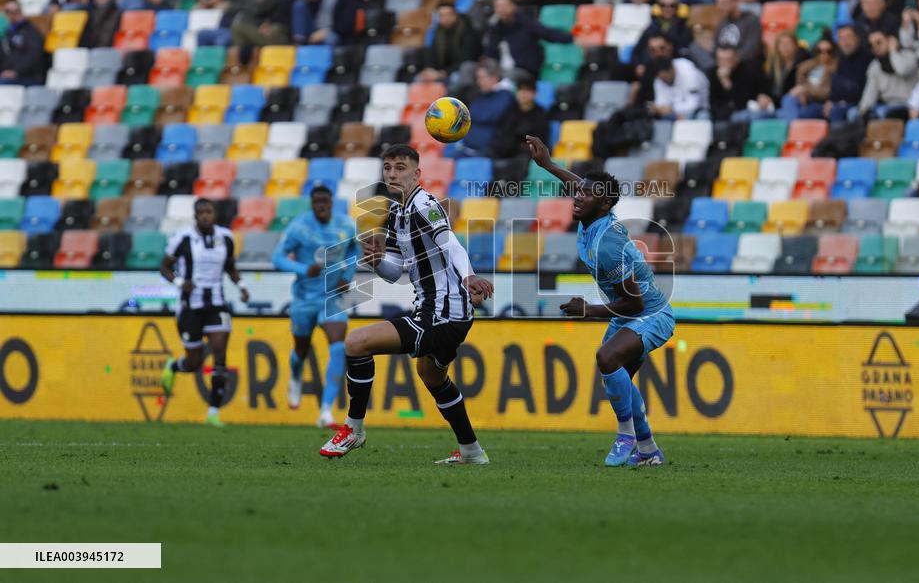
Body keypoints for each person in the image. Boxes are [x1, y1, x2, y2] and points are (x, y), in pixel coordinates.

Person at [319, 144, 495, 464]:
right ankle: (472, 451)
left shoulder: (424, 205)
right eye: (387, 167)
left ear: (417, 174)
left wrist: (469, 275)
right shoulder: (397, 213)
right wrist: (376, 262)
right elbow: (393, 271)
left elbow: (451, 244)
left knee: (356, 342)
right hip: (437, 310)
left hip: (444, 312)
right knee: (431, 375)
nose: (392, 173)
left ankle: (354, 429)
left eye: (400, 167)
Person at [523, 135, 673, 467]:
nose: (577, 196)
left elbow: (634, 304)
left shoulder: (606, 243)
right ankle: (648, 451)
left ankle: (625, 436)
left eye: (587, 194)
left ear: (604, 205)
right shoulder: (592, 215)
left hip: (651, 314)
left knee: (607, 357)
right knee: (619, 377)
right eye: (579, 191)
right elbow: (582, 187)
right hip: (629, 312)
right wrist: (547, 164)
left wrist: (588, 309)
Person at [271, 185, 357, 428]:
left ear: (331, 202)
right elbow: (277, 258)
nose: (321, 205)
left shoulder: (345, 224)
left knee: (338, 347)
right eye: (316, 201)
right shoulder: (299, 227)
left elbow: (355, 247)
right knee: (301, 348)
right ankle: (296, 374)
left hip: (332, 298)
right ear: (311, 204)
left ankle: (325, 412)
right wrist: (303, 269)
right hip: (304, 299)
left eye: (325, 201)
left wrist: (347, 276)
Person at [160, 198, 250, 427]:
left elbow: (230, 266)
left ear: (215, 214)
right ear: (195, 216)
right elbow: (164, 267)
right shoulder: (183, 238)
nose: (205, 216)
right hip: (190, 306)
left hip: (217, 304)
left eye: (209, 211)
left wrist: (241, 286)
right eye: (201, 212)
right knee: (195, 362)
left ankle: (213, 412)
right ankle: (174, 366)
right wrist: (180, 283)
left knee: (220, 352)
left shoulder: (226, 237)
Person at [484, 0, 572, 78]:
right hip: (501, 70)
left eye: (505, 5)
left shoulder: (526, 23)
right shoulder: (495, 29)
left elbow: (547, 33)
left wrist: (571, 37)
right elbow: (490, 53)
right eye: (498, 6)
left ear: (514, 6)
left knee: (509, 76)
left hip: (525, 70)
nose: (502, 9)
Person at [689, 0, 762, 70]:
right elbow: (716, 46)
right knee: (694, 47)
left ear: (736, 1)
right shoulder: (722, 22)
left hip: (743, 65)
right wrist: (719, 54)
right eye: (718, 2)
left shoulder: (751, 20)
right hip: (721, 64)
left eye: (724, 2)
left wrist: (733, 58)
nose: (720, 6)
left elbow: (751, 49)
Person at [455, 59, 515, 157]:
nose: (478, 81)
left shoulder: (506, 97)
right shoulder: (481, 94)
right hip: (467, 147)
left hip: (488, 151)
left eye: (482, 77)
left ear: (494, 78)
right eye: (477, 78)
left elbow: (488, 115)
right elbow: (472, 113)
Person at [858, 30, 919, 120]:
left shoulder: (909, 56)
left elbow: (902, 70)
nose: (875, 47)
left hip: (908, 105)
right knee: (855, 114)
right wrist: (863, 108)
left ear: (890, 40)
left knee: (881, 113)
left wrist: (893, 50)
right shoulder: (875, 65)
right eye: (871, 45)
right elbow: (870, 92)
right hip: (887, 104)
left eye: (879, 42)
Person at [418, 2, 481, 82]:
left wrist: (443, 73)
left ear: (455, 15)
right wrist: (430, 70)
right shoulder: (438, 32)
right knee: (419, 78)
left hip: (461, 70)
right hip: (442, 71)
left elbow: (466, 59)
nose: (446, 18)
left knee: (456, 77)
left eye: (449, 14)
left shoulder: (468, 32)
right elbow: (432, 53)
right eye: (442, 15)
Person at [778, 36, 837, 120]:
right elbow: (800, 80)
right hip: (804, 101)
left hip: (820, 104)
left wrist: (804, 90)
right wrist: (801, 93)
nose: (824, 54)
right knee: (788, 100)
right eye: (819, 51)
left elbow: (826, 92)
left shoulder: (835, 69)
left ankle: (792, 124)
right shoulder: (809, 66)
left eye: (828, 51)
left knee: (783, 113)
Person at [709, 44, 767, 121]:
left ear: (736, 58)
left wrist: (726, 82)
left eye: (728, 60)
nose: (724, 63)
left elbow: (740, 103)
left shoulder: (748, 71)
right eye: (721, 60)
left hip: (745, 111)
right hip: (720, 114)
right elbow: (712, 102)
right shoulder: (713, 73)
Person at [493, 79, 548, 158]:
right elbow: (502, 134)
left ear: (534, 94)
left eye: (527, 90)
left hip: (527, 154)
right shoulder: (510, 110)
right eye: (520, 90)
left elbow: (539, 141)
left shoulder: (540, 114)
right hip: (505, 151)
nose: (523, 93)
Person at [0, 1, 47, 85]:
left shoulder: (31, 32)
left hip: (29, 77)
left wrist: (15, 71)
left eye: (12, 11)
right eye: (6, 11)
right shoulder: (7, 33)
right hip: (8, 75)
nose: (8, 15)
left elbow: (34, 56)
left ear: (20, 12)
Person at [761, 29, 808, 113]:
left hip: (796, 104)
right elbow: (767, 88)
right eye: (782, 44)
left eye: (789, 43)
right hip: (774, 106)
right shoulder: (774, 65)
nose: (785, 47)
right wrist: (764, 96)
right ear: (777, 47)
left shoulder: (804, 63)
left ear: (796, 45)